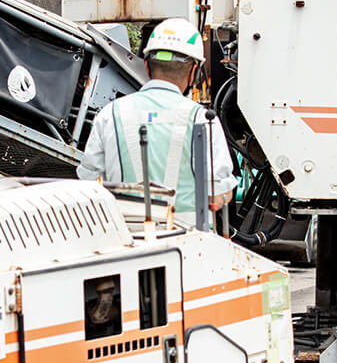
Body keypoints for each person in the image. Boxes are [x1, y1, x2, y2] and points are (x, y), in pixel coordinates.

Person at [76, 18, 237, 224]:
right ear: (194, 70)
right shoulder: (203, 120)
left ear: (147, 65)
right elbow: (218, 196)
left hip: (125, 243)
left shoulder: (110, 114)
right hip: (186, 246)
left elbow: (89, 185)